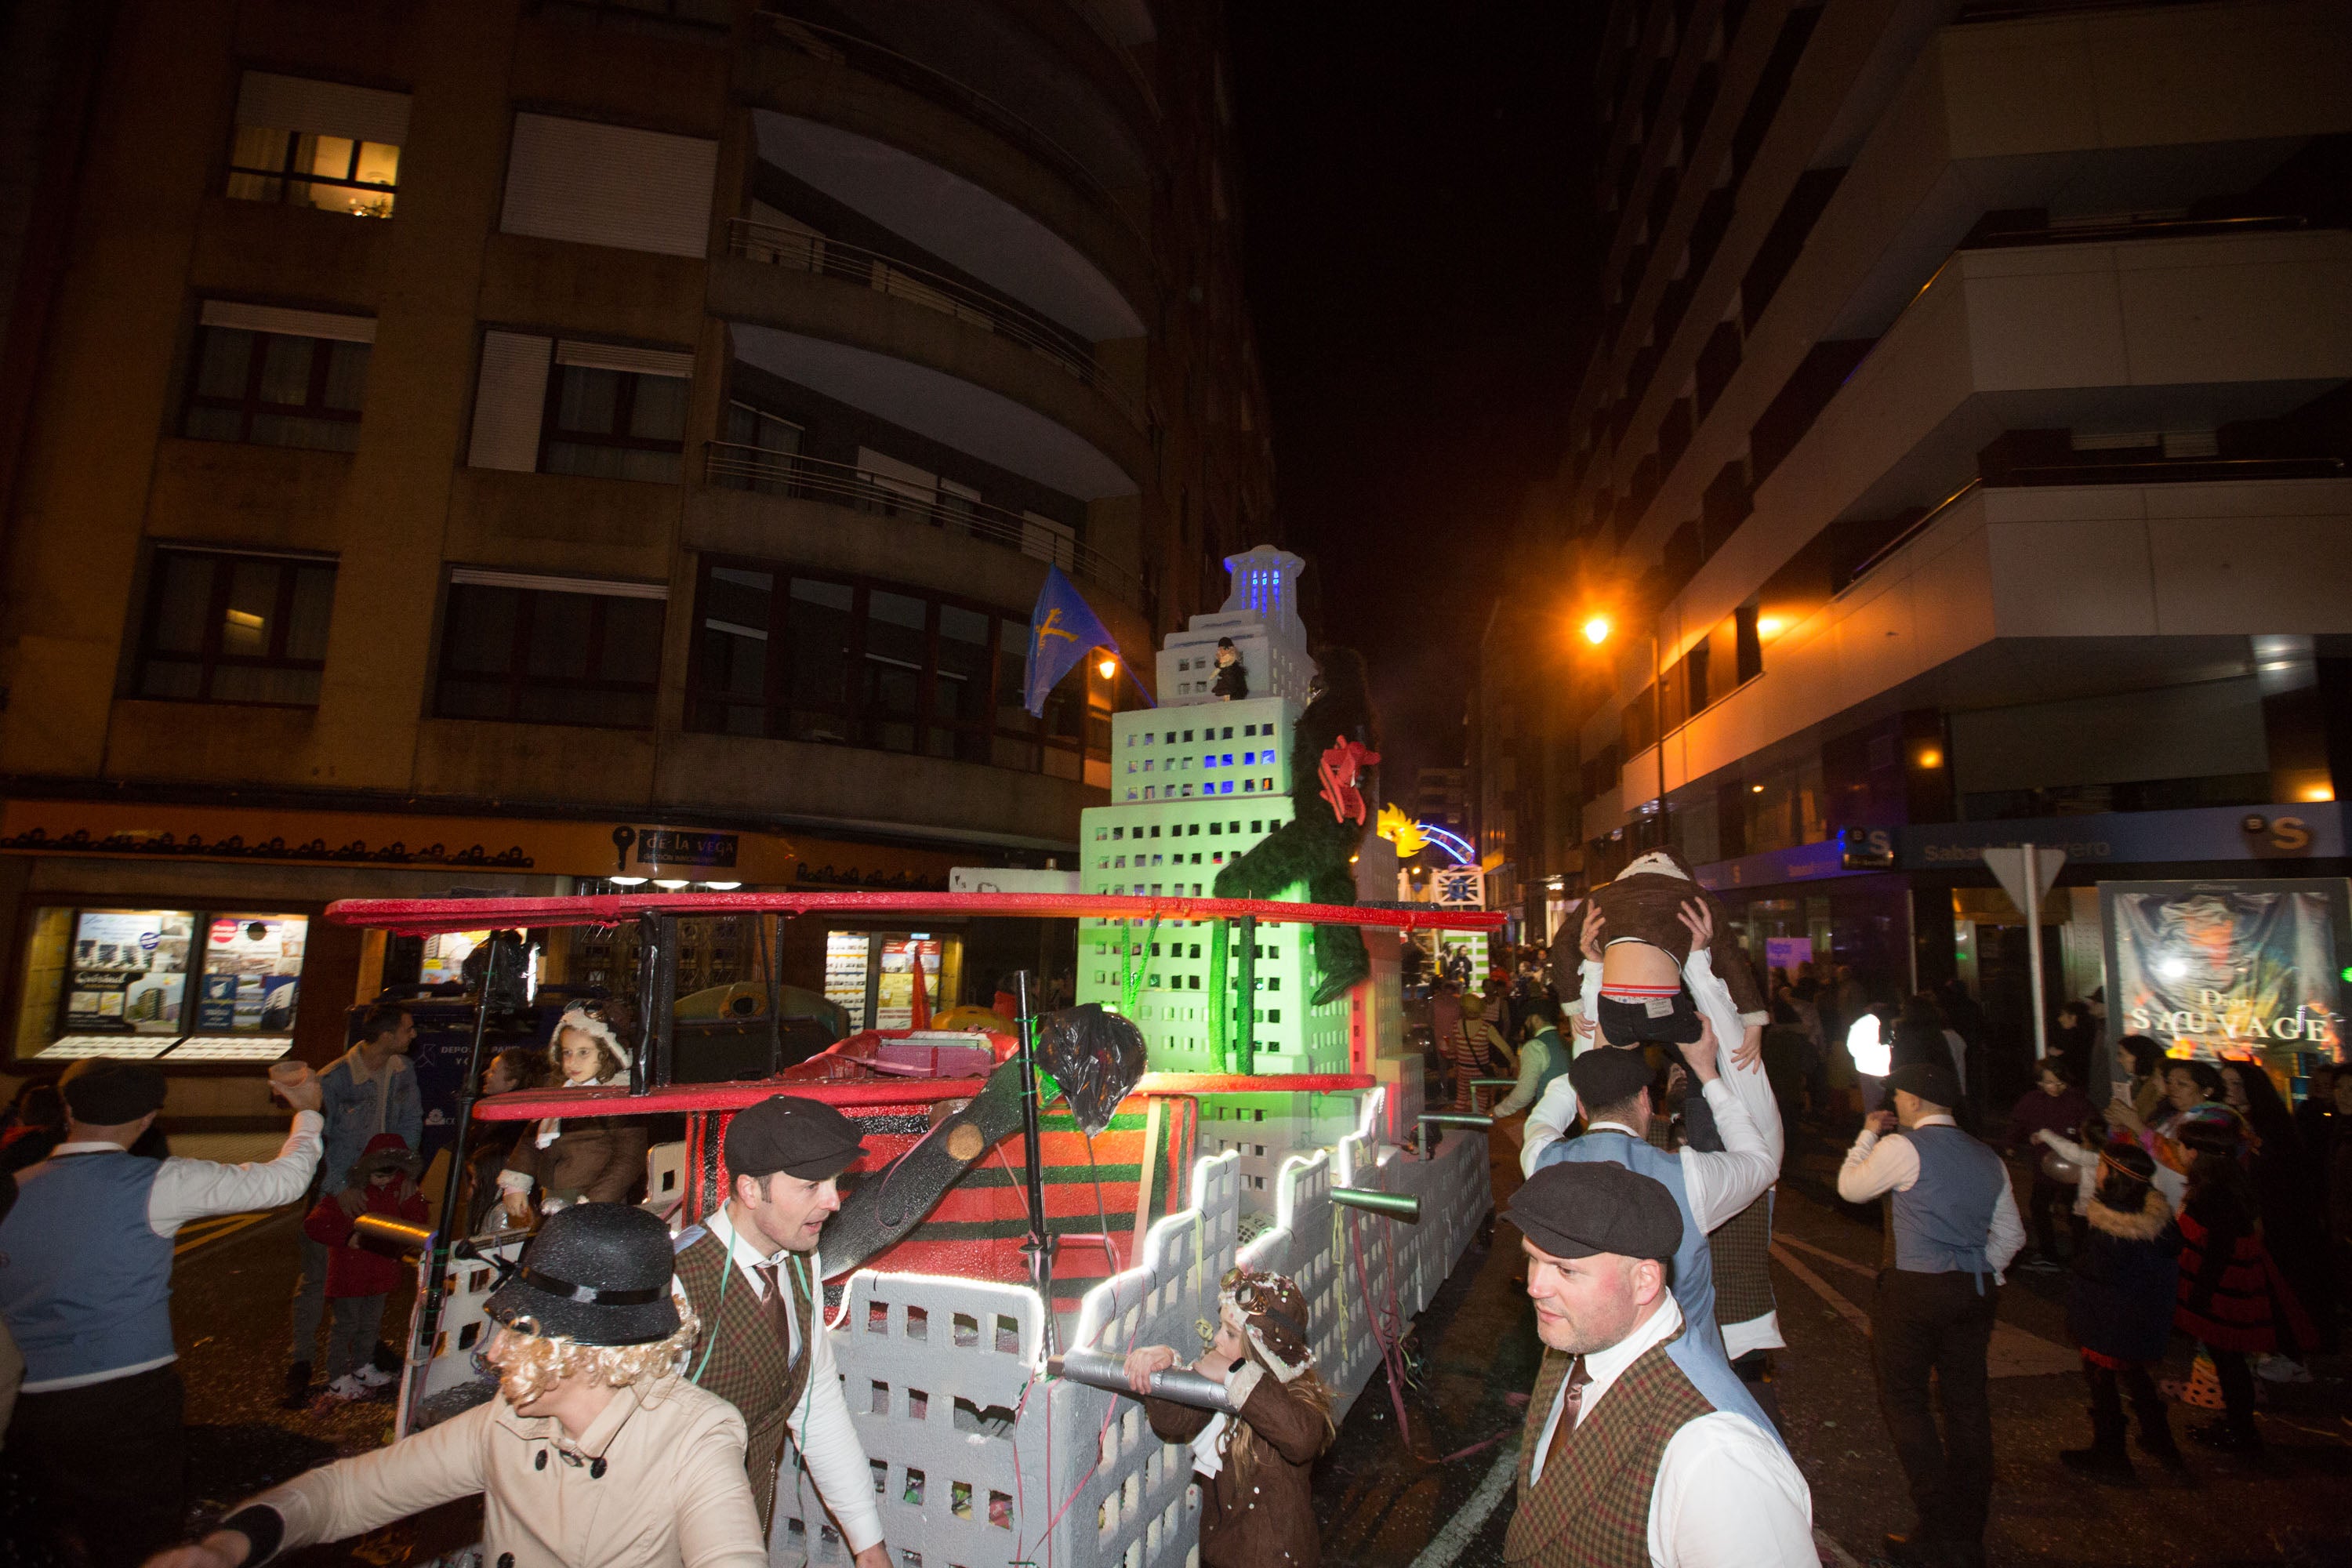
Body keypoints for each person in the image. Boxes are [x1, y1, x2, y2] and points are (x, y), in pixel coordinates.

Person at [141, 1204, 767, 1568]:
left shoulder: (695, 1435)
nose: (491, 1353)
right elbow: (347, 1493)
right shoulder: (510, 1421)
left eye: (519, 1333)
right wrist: (228, 1547)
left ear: (586, 1352)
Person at [0, 1057, 322, 1568]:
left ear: (66, 1108)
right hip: (130, 1396)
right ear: (149, 1118)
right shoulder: (156, 1181)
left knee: (47, 1539)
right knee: (142, 1541)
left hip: (29, 1403)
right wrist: (307, 1114)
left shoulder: (16, 1187)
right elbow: (281, 1182)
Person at [1500, 1160, 1813, 1567]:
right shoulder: (1583, 1336)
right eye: (1533, 1259)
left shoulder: (1717, 1458)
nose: (1536, 1287)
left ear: (1644, 1281)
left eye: (1565, 1269)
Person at [1531, 1005, 1783, 1438]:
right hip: (1681, 1377)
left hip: (1587, 1371)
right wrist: (1710, 1075)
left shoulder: (1544, 1161)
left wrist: (1587, 1053)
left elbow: (1542, 1120)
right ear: (1647, 1101)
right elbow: (1761, 1161)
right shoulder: (1690, 1175)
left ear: (1580, 1107)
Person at [670, 1094, 887, 1563]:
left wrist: (868, 1544)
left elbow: (817, 1402)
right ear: (750, 1191)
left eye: (834, 1183)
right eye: (811, 1186)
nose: (832, 1202)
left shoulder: (800, 1259)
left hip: (745, 1528)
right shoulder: (675, 1280)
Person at [1835, 1061, 2025, 1568]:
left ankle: (1936, 1527)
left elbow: (1851, 1188)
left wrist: (1866, 1137)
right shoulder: (1989, 1158)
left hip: (1913, 1289)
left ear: (1916, 1101)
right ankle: (1968, 1535)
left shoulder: (1904, 1147)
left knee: (1906, 1401)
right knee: (1967, 1407)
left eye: (1899, 1096)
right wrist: (1982, 1271)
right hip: (1974, 1289)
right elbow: (2011, 1236)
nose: (1895, 1103)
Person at [1123, 1268, 1334, 1568]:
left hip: (1277, 1559)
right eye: (1221, 1327)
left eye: (1231, 1333)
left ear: (1262, 1347)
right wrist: (1163, 1370)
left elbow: (1301, 1438)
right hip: (1226, 1552)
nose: (1218, 1339)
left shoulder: (1296, 1392)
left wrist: (1236, 1376)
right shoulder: (1229, 1376)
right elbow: (1174, 1422)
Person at [289, 1005, 422, 1407]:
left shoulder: (402, 1070)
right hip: (340, 1192)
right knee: (320, 1278)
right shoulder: (334, 1078)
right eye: (407, 1029)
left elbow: (412, 1121)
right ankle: (303, 1362)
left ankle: (361, 1358)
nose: (413, 1035)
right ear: (385, 1036)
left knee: (374, 1270)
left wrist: (407, 1175)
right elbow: (316, 1139)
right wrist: (337, 1185)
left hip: (382, 1190)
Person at [2172, 1120, 2313, 1454]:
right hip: (2228, 1284)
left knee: (2229, 1361)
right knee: (2229, 1362)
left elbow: (2217, 1251)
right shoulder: (2226, 1185)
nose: (2178, 1151)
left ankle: (2242, 1433)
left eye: (2181, 1146)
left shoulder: (2214, 1194)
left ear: (2195, 1152)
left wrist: (2200, 1296)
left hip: (2224, 1290)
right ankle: (2238, 1425)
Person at [2056, 1142, 2186, 1485]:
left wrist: (2078, 1268)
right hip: (2143, 1319)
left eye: (2101, 1166)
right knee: (2136, 1376)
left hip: (2110, 1320)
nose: (2096, 1171)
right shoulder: (2157, 1219)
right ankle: (2161, 1442)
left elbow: (2098, 1270)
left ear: (2114, 1175)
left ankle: (2111, 1454)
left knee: (2102, 1382)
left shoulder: (2114, 1225)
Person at [1551, 850, 1770, 1047]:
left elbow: (1563, 943)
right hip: (1664, 1009)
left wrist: (1572, 1003)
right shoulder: (1696, 896)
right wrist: (1753, 1017)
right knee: (1701, 1047)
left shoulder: (1600, 897)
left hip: (1613, 1011)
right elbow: (1728, 957)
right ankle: (1701, 1079)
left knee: (1611, 1054)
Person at [300, 1132, 428, 1402]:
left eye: (390, 1175)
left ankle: (362, 1366)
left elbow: (419, 1219)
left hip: (381, 1274)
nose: (383, 1180)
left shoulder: (398, 1190)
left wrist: (414, 1194)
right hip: (350, 1277)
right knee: (345, 1326)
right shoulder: (351, 1195)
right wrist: (348, 1238)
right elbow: (315, 1224)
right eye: (378, 1175)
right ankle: (336, 1377)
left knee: (370, 1324)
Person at [2221, 1058, 2333, 1363]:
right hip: (2247, 1217)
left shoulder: (2270, 1125)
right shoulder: (2228, 1120)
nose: (2229, 1090)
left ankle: (2287, 1353)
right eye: (2225, 1083)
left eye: (2236, 1084)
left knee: (2280, 1289)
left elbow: (2282, 1177)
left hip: (2275, 1222)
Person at [499, 1005, 648, 1225]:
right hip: (551, 1192)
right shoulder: (559, 1091)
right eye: (566, 1052)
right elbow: (531, 1139)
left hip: (594, 1200)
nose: (572, 1062)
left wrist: (594, 1202)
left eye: (583, 1052)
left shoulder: (617, 1098)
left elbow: (628, 1158)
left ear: (608, 1052)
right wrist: (516, 1183)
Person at [2005, 1061, 2092, 1270]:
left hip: (2073, 1169)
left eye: (2059, 1083)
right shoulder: (2031, 1101)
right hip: (2044, 1168)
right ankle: (2049, 1253)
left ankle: (2082, 1255)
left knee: (2076, 1212)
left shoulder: (2077, 1101)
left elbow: (2093, 1127)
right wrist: (2010, 1145)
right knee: (2038, 1206)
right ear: (2039, 1083)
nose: (2055, 1088)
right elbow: (2018, 1123)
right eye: (2049, 1083)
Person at [459, 1047, 545, 1236]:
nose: (485, 1074)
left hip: (500, 1197)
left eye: (494, 1071)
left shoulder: (518, 1124)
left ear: (512, 1082)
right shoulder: (489, 1116)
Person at [1491, 1014, 1571, 1125]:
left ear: (1536, 1019)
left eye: (1527, 1021)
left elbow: (1524, 1094)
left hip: (1547, 1118)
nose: (1526, 1025)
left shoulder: (1535, 1046)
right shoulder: (1564, 1041)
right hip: (1569, 1116)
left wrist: (1496, 1112)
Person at [2117, 1036, 2169, 1123]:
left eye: (2122, 1055)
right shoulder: (2137, 1085)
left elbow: (2144, 1119)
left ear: (2138, 1056)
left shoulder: (2156, 1087)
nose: (2118, 1060)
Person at [1210, 636, 1248, 700]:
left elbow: (1227, 667)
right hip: (1228, 679)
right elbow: (1220, 667)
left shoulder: (1231, 658)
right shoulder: (1223, 658)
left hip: (1232, 680)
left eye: (1221, 649)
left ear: (1228, 648)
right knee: (1226, 690)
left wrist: (1221, 664)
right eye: (1220, 649)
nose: (1220, 651)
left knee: (1228, 689)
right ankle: (1227, 700)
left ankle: (1229, 699)